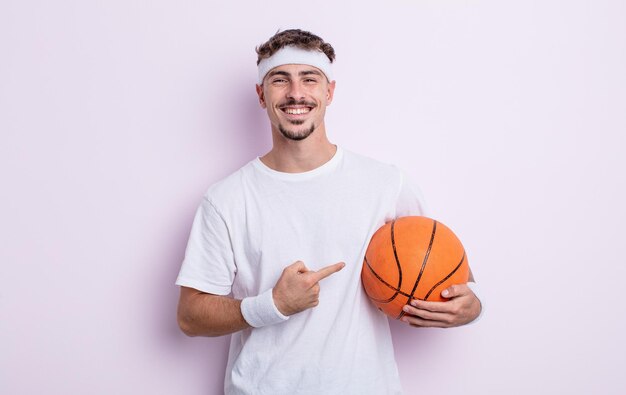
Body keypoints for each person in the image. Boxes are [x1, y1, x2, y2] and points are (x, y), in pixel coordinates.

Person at [176, 29, 482, 395]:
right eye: (279, 80)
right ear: (261, 95)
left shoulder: (386, 183)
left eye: (309, 79)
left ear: (329, 92)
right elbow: (190, 316)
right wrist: (272, 305)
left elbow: (448, 272)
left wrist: (470, 306)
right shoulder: (226, 199)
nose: (296, 93)